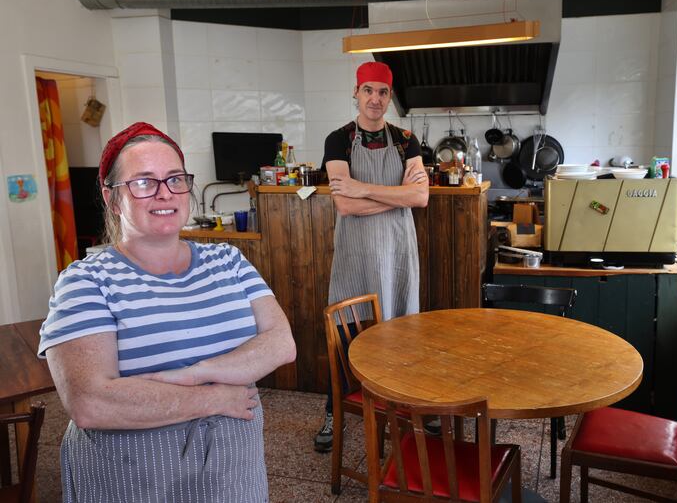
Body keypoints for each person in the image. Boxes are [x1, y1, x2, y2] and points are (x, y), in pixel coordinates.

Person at [38, 122, 296, 502]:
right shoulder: (85, 281)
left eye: (175, 178)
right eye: (144, 182)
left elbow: (281, 344)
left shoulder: (228, 260)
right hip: (132, 476)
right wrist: (212, 398)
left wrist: (195, 374)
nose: (165, 193)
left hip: (233, 470)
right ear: (112, 199)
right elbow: (90, 402)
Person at [314, 62, 429, 451]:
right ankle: (335, 412)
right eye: (368, 90)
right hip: (355, 253)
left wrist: (362, 187)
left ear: (389, 96)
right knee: (347, 336)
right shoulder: (338, 140)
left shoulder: (406, 140)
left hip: (398, 252)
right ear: (356, 93)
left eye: (382, 92)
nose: (375, 99)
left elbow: (420, 197)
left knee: (402, 335)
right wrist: (396, 197)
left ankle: (403, 409)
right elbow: (344, 207)